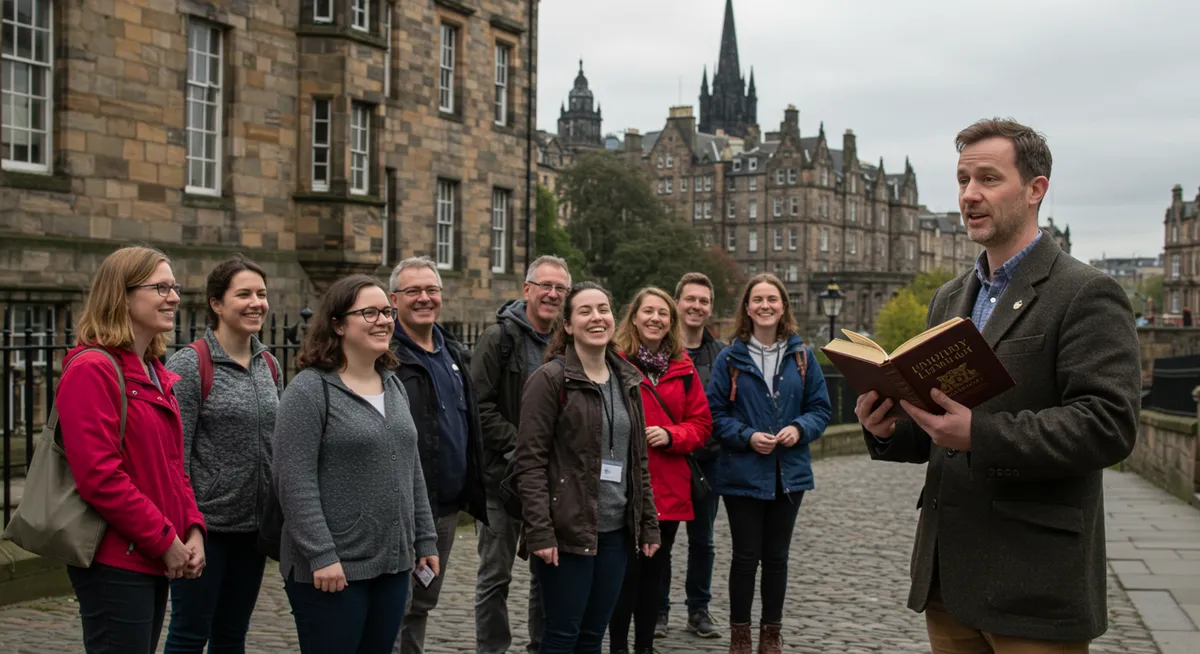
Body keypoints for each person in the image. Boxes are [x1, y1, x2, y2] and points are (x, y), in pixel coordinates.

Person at [857, 119, 1141, 653]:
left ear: (1035, 189)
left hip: (1031, 580)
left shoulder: (1086, 293)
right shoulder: (949, 298)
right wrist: (891, 427)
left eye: (988, 179)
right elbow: (940, 422)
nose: (970, 195)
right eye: (963, 180)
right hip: (949, 576)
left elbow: (1109, 425)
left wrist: (981, 434)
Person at [274, 274, 439, 654]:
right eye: (369, 312)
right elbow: (293, 480)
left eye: (386, 311)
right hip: (333, 572)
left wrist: (425, 538)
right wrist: (321, 554)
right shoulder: (310, 390)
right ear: (337, 324)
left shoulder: (392, 384)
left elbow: (410, 467)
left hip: (393, 566)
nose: (383, 320)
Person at [58, 246, 207, 654]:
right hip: (115, 558)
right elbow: (100, 478)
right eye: (161, 287)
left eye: (174, 286)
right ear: (121, 295)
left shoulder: (155, 371)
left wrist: (192, 526)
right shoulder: (93, 368)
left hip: (151, 553)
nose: (174, 296)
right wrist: (164, 539)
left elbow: (174, 467)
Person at [512, 282, 661, 654]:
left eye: (604, 309)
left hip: (615, 534)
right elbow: (529, 463)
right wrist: (540, 532)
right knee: (562, 637)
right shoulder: (550, 380)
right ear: (567, 324)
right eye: (585, 311)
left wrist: (647, 524)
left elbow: (637, 459)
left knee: (594, 637)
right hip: (567, 533)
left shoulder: (627, 380)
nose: (597, 318)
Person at [705, 273, 832, 654]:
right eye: (757, 299)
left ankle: (770, 634)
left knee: (777, 558)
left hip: (788, 474)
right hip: (743, 471)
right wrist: (746, 436)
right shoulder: (730, 358)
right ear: (747, 307)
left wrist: (799, 427)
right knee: (745, 556)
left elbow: (820, 409)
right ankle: (740, 635)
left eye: (772, 300)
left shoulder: (802, 356)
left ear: (783, 307)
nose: (765, 306)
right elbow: (714, 414)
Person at [164, 255, 281, 654]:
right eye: (244, 294)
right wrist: (189, 525)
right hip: (205, 530)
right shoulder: (190, 364)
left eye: (262, 294)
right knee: (189, 634)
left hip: (254, 530)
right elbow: (174, 455)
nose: (256, 303)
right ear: (216, 303)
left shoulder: (269, 363)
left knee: (232, 635)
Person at [388, 257, 488, 654]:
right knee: (397, 605)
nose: (424, 298)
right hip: (402, 507)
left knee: (423, 604)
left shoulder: (455, 353)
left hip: (445, 509)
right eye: (413, 291)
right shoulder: (386, 355)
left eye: (431, 290)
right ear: (394, 299)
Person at [472, 255, 571, 654]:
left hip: (553, 482)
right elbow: (478, 407)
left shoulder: (570, 342)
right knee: (495, 576)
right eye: (544, 286)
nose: (551, 294)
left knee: (547, 571)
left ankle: (540, 646)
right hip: (501, 480)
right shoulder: (498, 338)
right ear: (526, 289)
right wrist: (522, 446)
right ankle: (492, 650)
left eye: (559, 288)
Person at [608, 287, 712, 654]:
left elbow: (701, 423)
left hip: (667, 485)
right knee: (625, 572)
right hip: (624, 484)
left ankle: (645, 647)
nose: (655, 318)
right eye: (648, 311)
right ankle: (619, 645)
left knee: (656, 569)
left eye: (663, 313)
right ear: (633, 316)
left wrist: (672, 434)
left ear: (672, 321)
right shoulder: (615, 363)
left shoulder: (683, 368)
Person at [659, 272, 725, 640]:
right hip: (667, 459)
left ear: (710, 308)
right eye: (690, 299)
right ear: (677, 302)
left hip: (707, 462)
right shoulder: (659, 351)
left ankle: (698, 610)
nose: (696, 306)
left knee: (704, 541)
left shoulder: (722, 354)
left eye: (703, 301)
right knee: (661, 539)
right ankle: (658, 610)